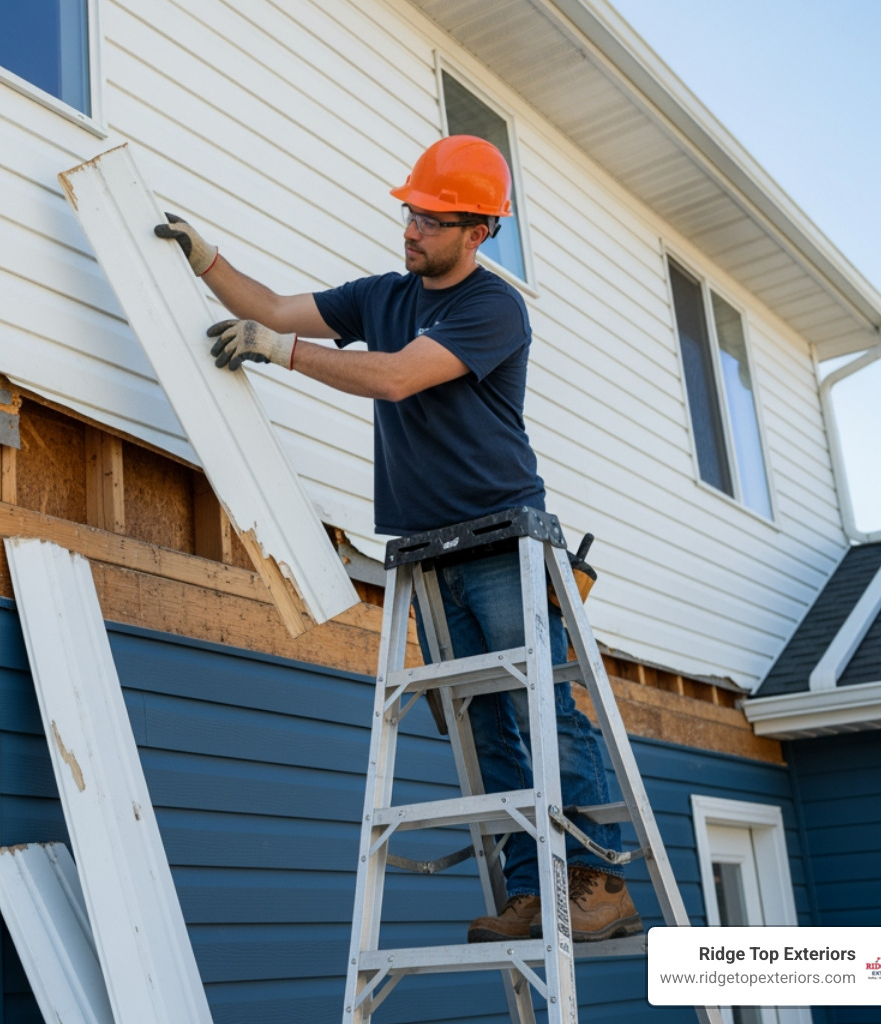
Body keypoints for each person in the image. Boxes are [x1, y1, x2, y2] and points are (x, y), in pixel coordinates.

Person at [154, 135, 640, 944]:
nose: (411, 229)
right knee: (484, 726)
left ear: (478, 231)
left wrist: (283, 355)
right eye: (410, 211)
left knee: (543, 707)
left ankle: (598, 881)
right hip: (428, 546)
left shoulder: (492, 307)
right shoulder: (383, 294)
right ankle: (534, 891)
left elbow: (395, 375)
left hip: (501, 535)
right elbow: (271, 310)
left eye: (432, 219)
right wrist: (207, 258)